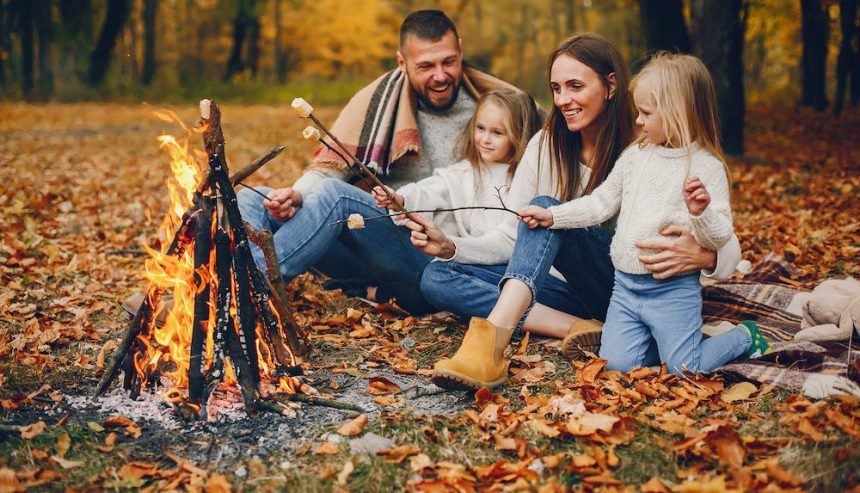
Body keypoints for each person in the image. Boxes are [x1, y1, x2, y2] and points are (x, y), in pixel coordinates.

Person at [405, 34, 743, 390]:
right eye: (556, 88)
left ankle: (492, 344)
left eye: (575, 86)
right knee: (438, 275)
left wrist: (704, 255)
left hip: (622, 285)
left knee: (549, 208)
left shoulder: (650, 142)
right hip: (555, 292)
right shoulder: (545, 145)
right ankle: (578, 328)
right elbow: (513, 235)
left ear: (611, 85)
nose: (563, 100)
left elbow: (728, 244)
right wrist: (452, 247)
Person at [235, 10, 523, 313]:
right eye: (425, 66)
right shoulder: (376, 105)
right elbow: (329, 169)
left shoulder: (490, 112)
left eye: (448, 62)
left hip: (433, 256)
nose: (440, 75)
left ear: (461, 51)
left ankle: (249, 288)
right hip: (369, 238)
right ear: (402, 63)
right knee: (253, 198)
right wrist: (297, 195)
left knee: (337, 198)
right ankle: (240, 284)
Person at [516, 52, 770, 375]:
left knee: (684, 370)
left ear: (679, 114)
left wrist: (701, 213)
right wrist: (553, 216)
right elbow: (600, 203)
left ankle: (743, 336)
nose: (638, 121)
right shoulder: (636, 155)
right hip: (624, 287)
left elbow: (719, 235)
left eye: (646, 113)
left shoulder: (707, 167)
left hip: (671, 292)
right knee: (615, 367)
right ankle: (651, 341)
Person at [371, 89, 542, 270]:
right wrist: (400, 199)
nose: (485, 139)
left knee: (436, 276)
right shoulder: (467, 170)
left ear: (519, 136)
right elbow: (432, 190)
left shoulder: (525, 180)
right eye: (480, 128)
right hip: (453, 257)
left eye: (497, 133)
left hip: (496, 267)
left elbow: (510, 242)